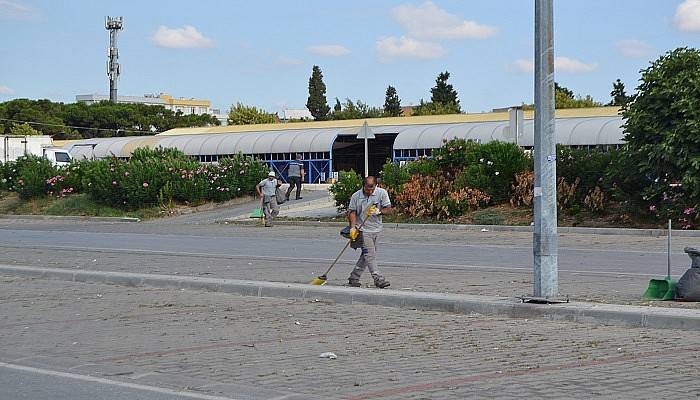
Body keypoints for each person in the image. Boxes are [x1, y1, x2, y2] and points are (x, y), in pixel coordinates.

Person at [347, 176, 392, 288]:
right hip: (362, 229)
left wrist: (379, 211)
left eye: (372, 189)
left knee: (366, 255)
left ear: (376, 185)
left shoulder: (381, 193)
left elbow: (388, 209)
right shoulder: (356, 196)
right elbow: (351, 212)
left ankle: (354, 277)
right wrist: (353, 227)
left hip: (377, 229)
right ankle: (378, 279)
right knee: (370, 255)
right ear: (364, 186)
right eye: (368, 189)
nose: (370, 191)